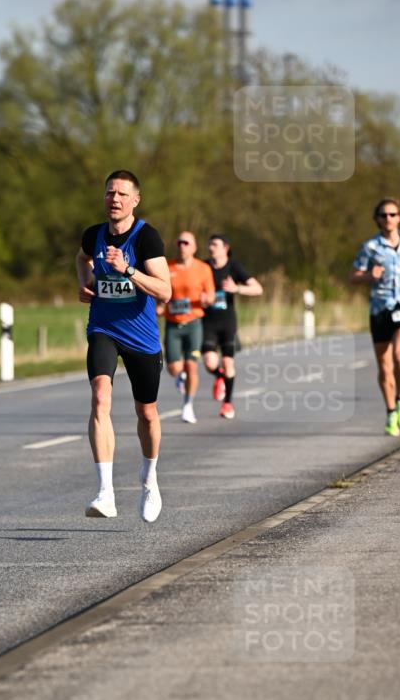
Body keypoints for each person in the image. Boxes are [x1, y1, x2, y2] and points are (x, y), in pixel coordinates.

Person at [76, 170, 171, 522]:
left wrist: (128, 269)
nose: (114, 199)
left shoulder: (147, 237)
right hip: (103, 328)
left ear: (135, 200)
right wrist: (85, 282)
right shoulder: (93, 235)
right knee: (100, 397)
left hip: (141, 337)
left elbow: (165, 291)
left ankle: (149, 478)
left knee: (146, 413)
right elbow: (81, 258)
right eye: (109, 193)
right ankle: (105, 492)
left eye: (121, 194)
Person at [351, 198, 400, 436]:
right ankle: (391, 411)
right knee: (384, 364)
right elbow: (354, 276)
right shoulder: (370, 247)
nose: (388, 219)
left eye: (392, 214)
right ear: (377, 220)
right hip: (380, 308)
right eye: (383, 215)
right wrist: (369, 276)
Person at [201, 234, 263, 419]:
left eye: (215, 244)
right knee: (209, 363)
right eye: (210, 244)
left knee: (228, 362)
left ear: (225, 248)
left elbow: (258, 288)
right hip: (208, 321)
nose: (211, 248)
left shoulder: (234, 266)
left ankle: (227, 404)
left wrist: (237, 289)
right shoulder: (203, 266)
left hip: (227, 322)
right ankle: (220, 377)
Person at [157, 232, 215, 424]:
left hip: (194, 322)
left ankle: (188, 405)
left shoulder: (203, 268)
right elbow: (160, 292)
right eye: (179, 242)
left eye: (186, 243)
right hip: (173, 323)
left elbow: (211, 295)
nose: (182, 246)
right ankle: (179, 376)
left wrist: (207, 300)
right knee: (174, 368)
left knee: (191, 365)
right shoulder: (168, 267)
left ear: (194, 247)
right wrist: (159, 306)